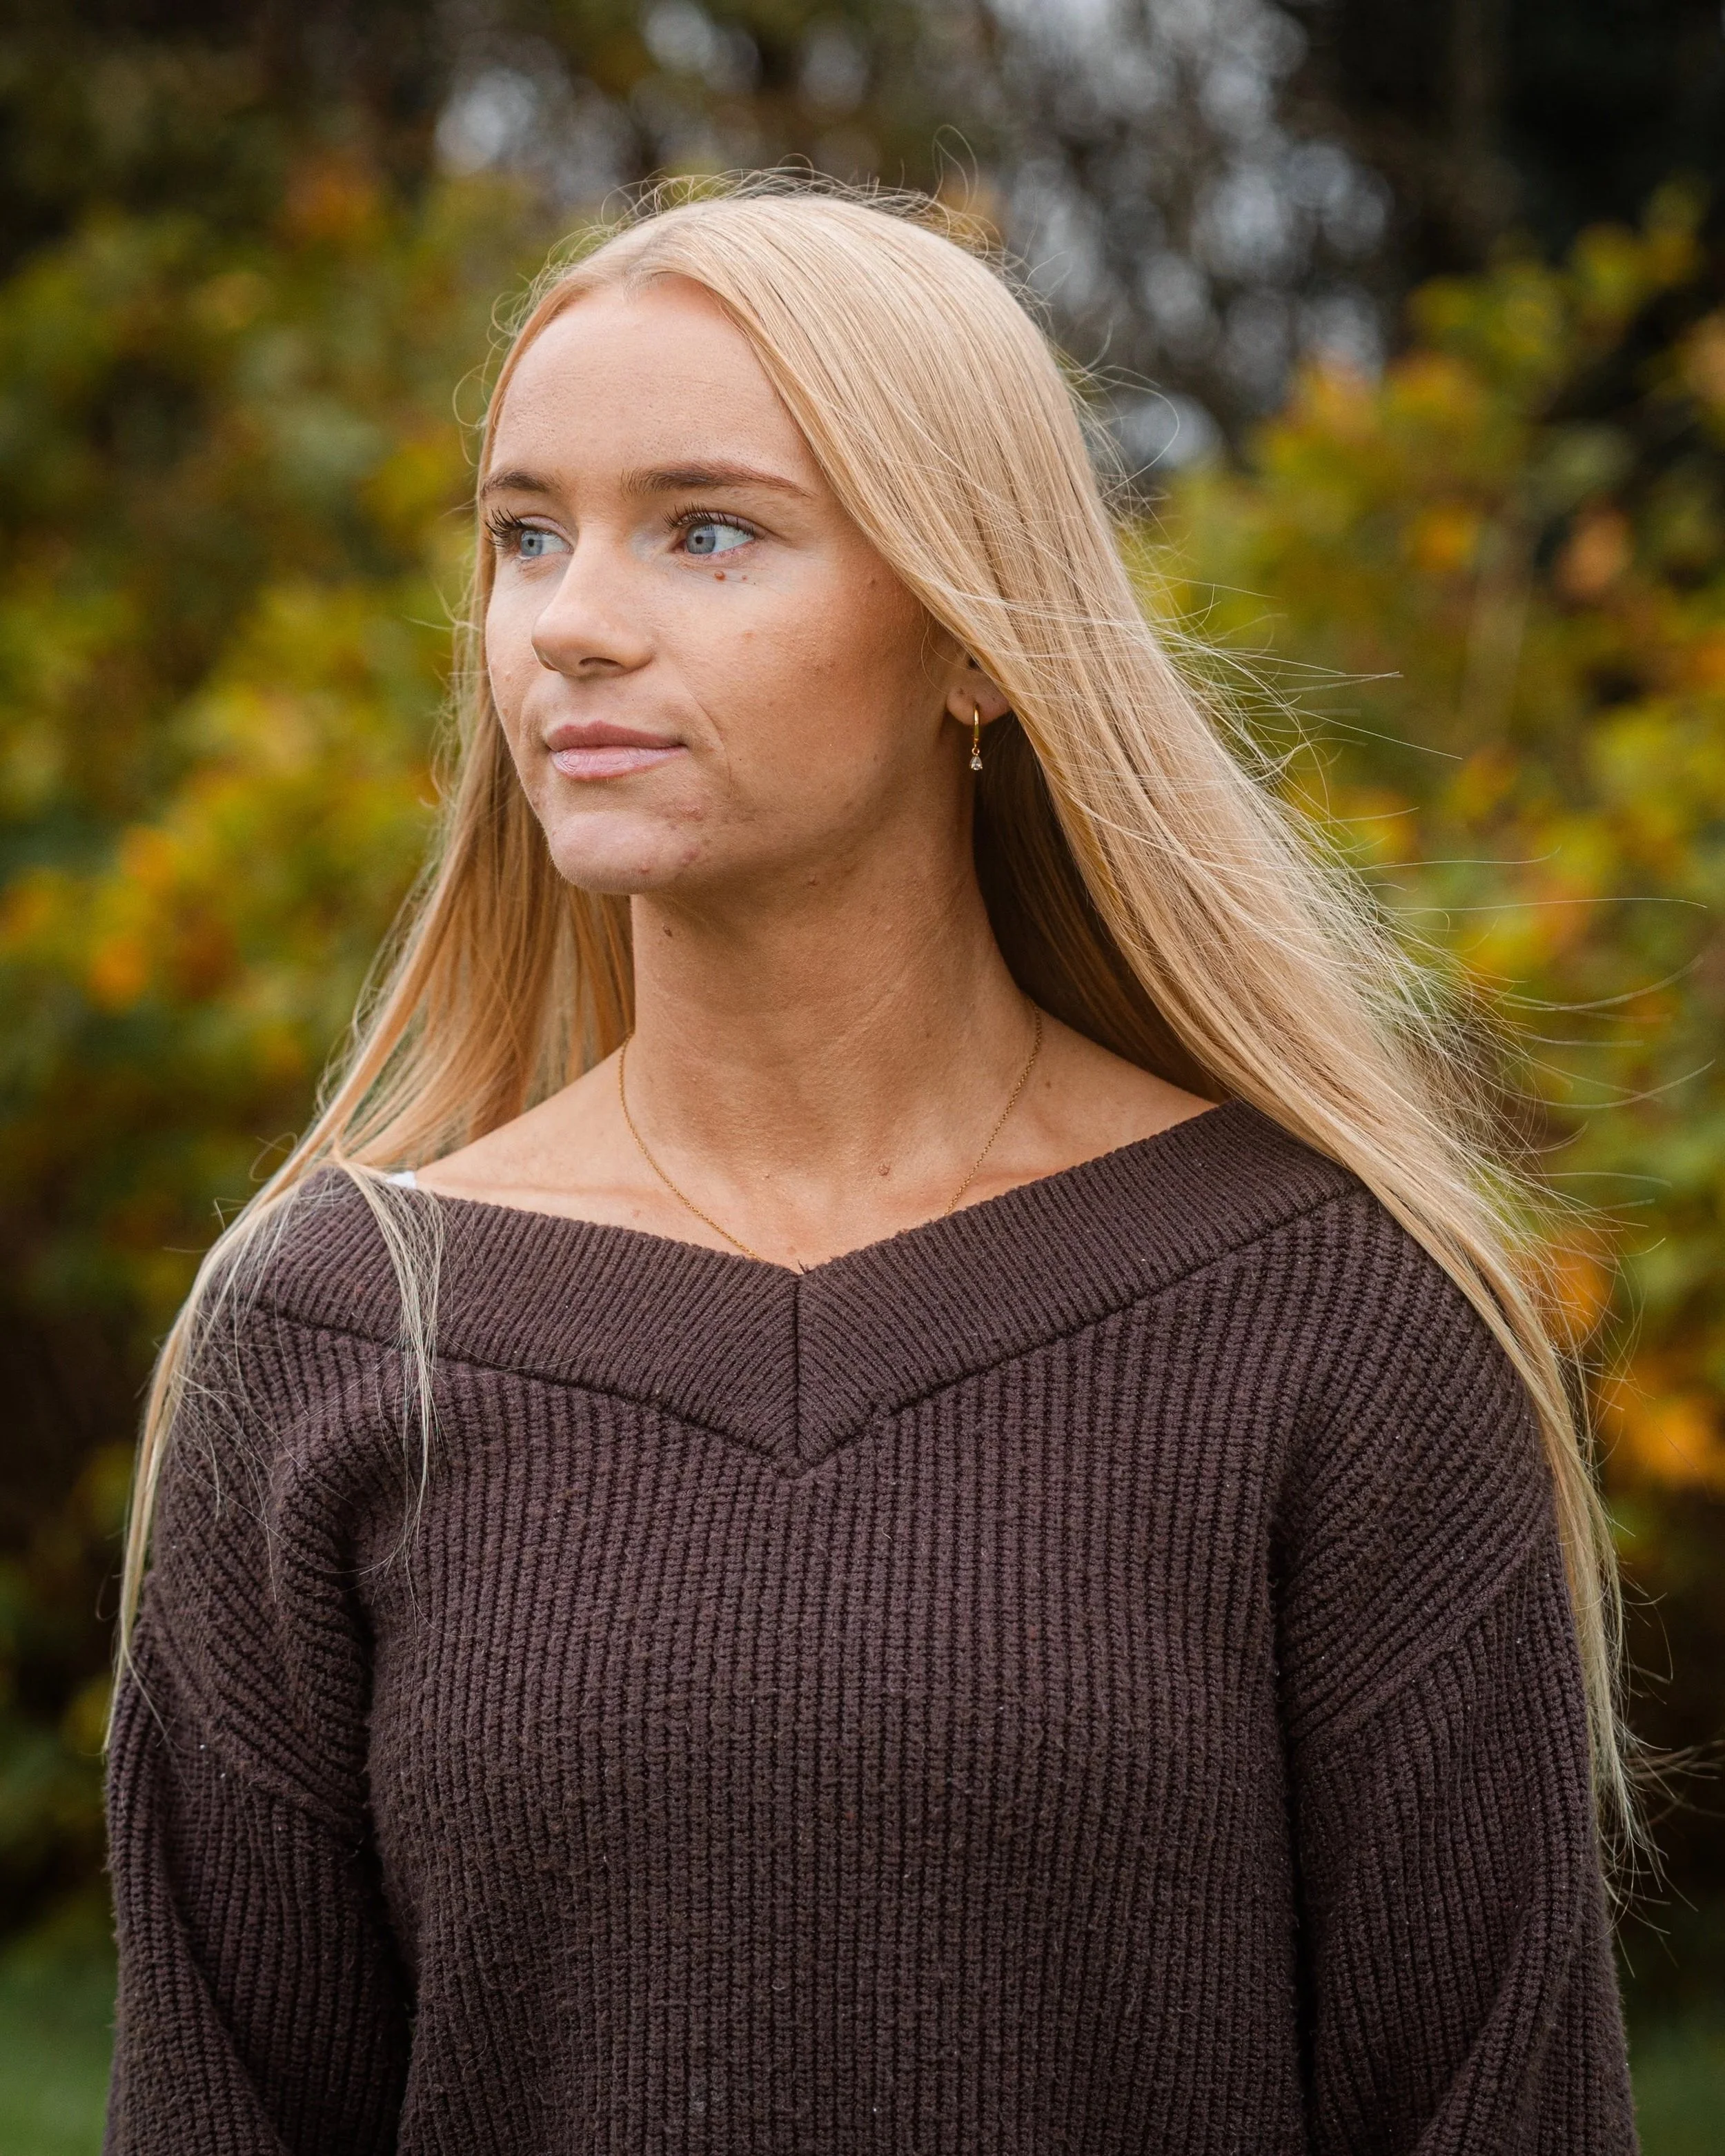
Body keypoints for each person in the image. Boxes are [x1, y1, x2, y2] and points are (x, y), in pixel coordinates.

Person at [103, 181, 1642, 2153]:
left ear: (973, 641)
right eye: (522, 534)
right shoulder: (326, 1332)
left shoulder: (1336, 1317)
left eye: (708, 529)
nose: (569, 621)